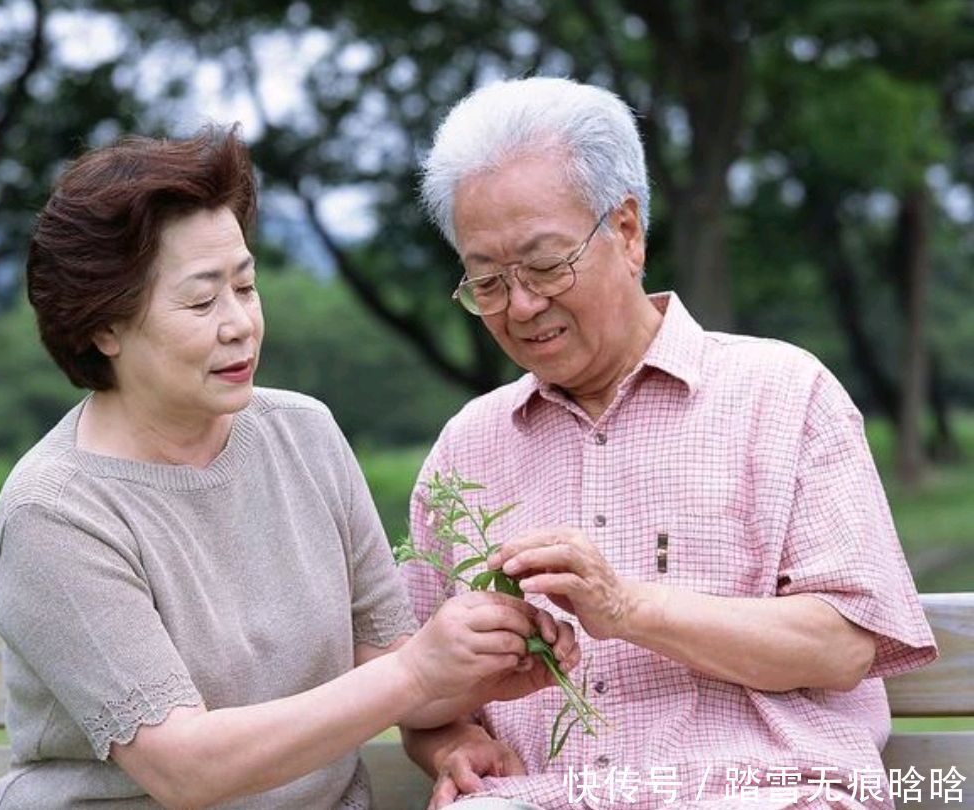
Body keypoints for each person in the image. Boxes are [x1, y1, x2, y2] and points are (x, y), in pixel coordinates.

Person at [0, 124, 580, 810]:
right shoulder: (55, 511)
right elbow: (185, 769)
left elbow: (384, 661)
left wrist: (475, 678)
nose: (240, 323)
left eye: (245, 286)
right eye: (202, 300)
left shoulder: (304, 433)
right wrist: (418, 674)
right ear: (103, 328)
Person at [399, 77, 938, 810]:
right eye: (487, 282)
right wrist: (449, 744)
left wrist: (626, 608)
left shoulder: (782, 394)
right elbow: (419, 686)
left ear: (626, 232)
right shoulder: (467, 449)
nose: (521, 306)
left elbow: (843, 646)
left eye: (545, 265)